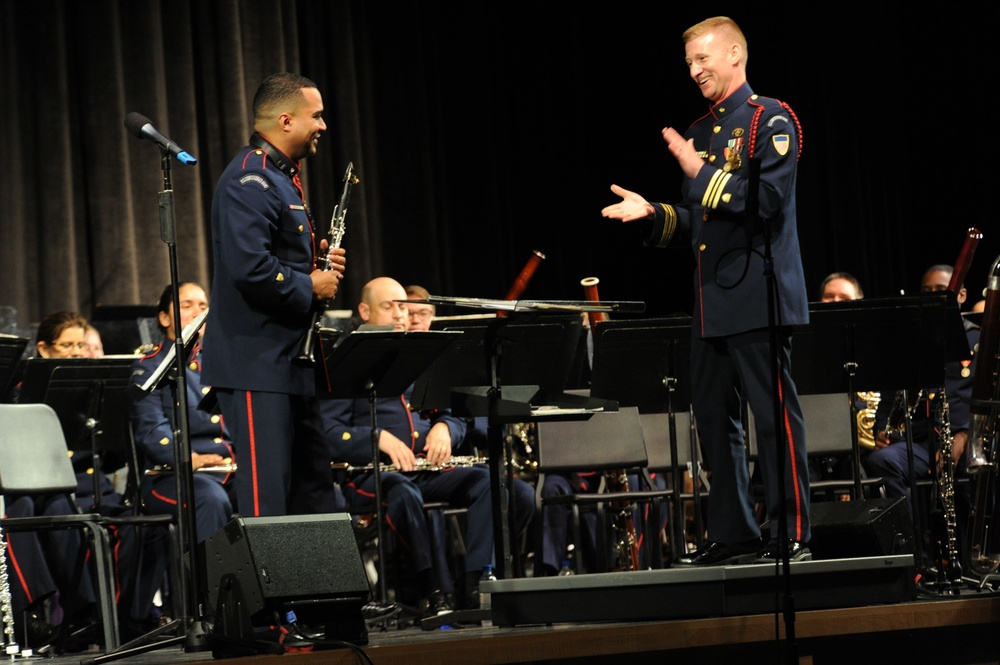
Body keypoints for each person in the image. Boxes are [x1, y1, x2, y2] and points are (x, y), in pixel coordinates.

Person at [601, 16, 810, 566]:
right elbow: (699, 223)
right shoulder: (700, 130)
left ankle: (791, 532)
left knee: (774, 417)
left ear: (736, 54)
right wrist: (653, 215)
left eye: (704, 59)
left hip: (759, 294)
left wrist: (699, 169)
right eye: (689, 62)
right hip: (710, 301)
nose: (694, 70)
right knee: (716, 423)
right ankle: (734, 532)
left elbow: (765, 203)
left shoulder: (772, 117)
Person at [321, 277, 535, 609]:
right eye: (388, 306)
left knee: (503, 486)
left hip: (426, 470)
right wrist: (376, 438)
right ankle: (432, 590)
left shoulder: (422, 356)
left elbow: (456, 415)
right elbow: (328, 432)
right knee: (403, 493)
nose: (399, 314)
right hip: (370, 475)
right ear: (365, 311)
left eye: (402, 306)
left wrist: (445, 429)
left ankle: (475, 582)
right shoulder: (347, 358)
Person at [201, 72, 347, 518]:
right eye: (316, 116)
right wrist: (309, 284)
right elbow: (251, 269)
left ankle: (320, 590)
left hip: (288, 364)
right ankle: (269, 591)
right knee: (269, 500)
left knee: (315, 494)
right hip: (256, 365)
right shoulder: (251, 179)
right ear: (286, 120)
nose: (323, 125)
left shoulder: (281, 179)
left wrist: (316, 268)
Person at [864, 265, 979, 565]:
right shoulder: (908, 343)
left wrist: (964, 435)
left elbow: (983, 397)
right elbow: (890, 394)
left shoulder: (978, 341)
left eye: (940, 291)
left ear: (961, 295)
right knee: (882, 461)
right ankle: (913, 554)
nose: (931, 298)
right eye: (926, 292)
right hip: (919, 441)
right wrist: (880, 427)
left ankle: (972, 555)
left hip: (964, 439)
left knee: (981, 465)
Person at [129, 282, 237, 543]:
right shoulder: (150, 366)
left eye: (203, 306)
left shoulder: (220, 362)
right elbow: (152, 431)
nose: (197, 312)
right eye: (186, 306)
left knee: (275, 489)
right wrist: (192, 458)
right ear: (164, 318)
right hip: (171, 475)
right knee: (210, 500)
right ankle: (211, 584)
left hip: (228, 469)